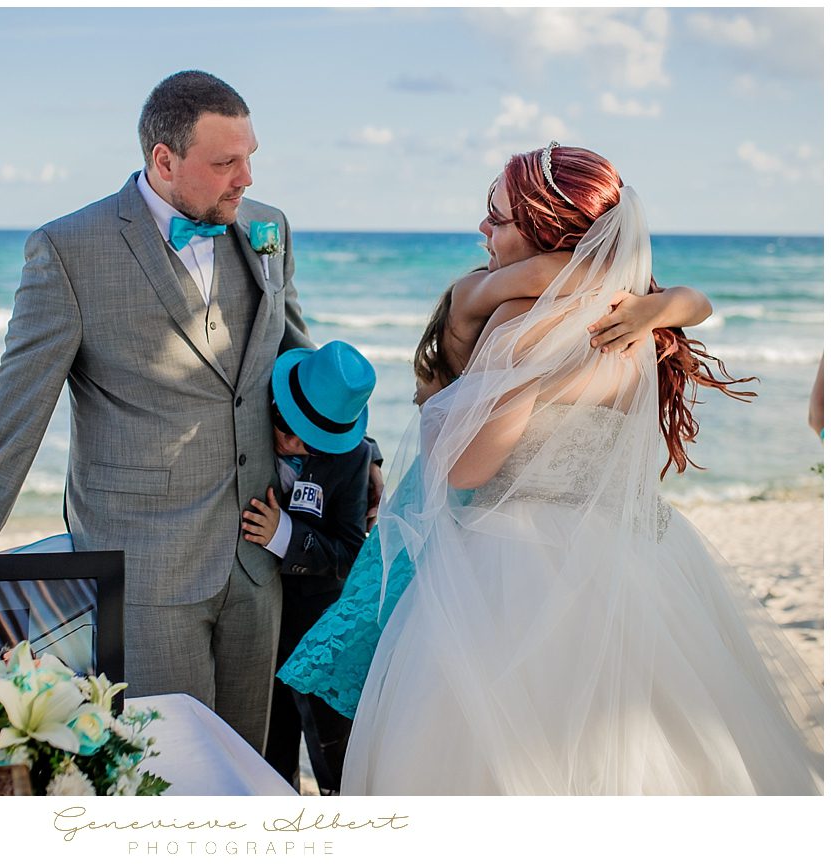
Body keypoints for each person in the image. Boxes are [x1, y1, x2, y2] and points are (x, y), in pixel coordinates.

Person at [341, 143, 823, 795]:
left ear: (545, 234)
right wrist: (654, 305)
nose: (484, 230)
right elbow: (691, 302)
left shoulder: (516, 323)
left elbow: (465, 469)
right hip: (631, 555)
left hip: (511, 564)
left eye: (500, 219)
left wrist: (528, 382)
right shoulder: (636, 319)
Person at [0, 71, 329, 752]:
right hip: (146, 565)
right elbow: (16, 410)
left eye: (250, 156)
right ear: (164, 160)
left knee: (246, 771)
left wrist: (357, 456)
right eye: (225, 162)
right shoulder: (67, 250)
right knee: (166, 771)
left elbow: (295, 355)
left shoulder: (269, 228)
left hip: (255, 557)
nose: (245, 177)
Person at [279, 237, 714, 723]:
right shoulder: (472, 296)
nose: (486, 229)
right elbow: (546, 274)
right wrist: (626, 291)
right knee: (384, 655)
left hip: (473, 513)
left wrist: (650, 307)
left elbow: (698, 302)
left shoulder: (524, 329)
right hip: (441, 505)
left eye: (502, 218)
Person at [239, 341, 375, 794]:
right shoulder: (249, 418)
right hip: (252, 614)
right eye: (285, 424)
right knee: (269, 746)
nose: (292, 443)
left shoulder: (352, 458)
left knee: (328, 742)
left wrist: (286, 536)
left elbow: (351, 551)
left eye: (310, 440)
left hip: (313, 618)